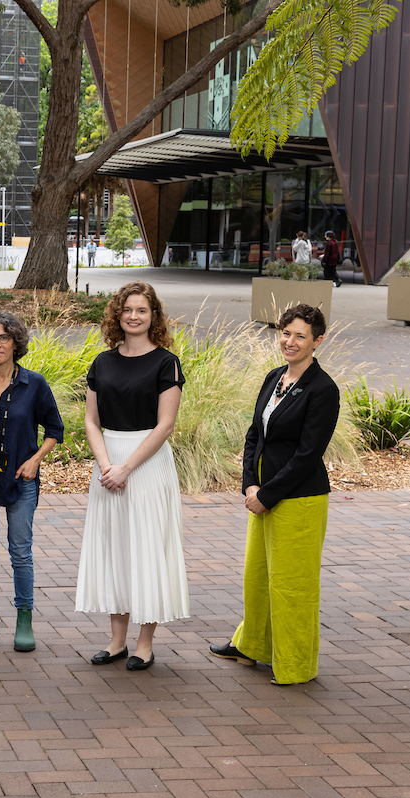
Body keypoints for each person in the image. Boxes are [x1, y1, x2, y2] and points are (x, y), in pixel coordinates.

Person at [210, 304, 340, 685]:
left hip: (298, 499)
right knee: (258, 577)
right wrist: (250, 483)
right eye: (285, 333)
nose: (290, 341)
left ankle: (296, 665)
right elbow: (255, 435)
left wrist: (267, 495)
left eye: (300, 336)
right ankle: (252, 646)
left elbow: (307, 455)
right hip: (263, 494)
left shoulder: (323, 389)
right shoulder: (273, 378)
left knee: (292, 586)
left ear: (317, 341)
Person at [75, 281, 189, 671]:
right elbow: (91, 420)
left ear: (153, 316)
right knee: (115, 550)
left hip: (146, 463)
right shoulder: (102, 362)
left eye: (142, 310)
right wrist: (107, 464)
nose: (134, 316)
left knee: (146, 547)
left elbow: (165, 425)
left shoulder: (166, 362)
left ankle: (145, 643)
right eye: (128, 310)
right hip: (108, 463)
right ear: (117, 315)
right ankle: (117, 641)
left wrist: (126, 467)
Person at [0, 309, 63, 653]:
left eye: (4, 337)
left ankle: (24, 620)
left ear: (16, 341)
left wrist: (36, 460)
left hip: (21, 478)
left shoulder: (34, 385)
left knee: (21, 552)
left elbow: (55, 429)